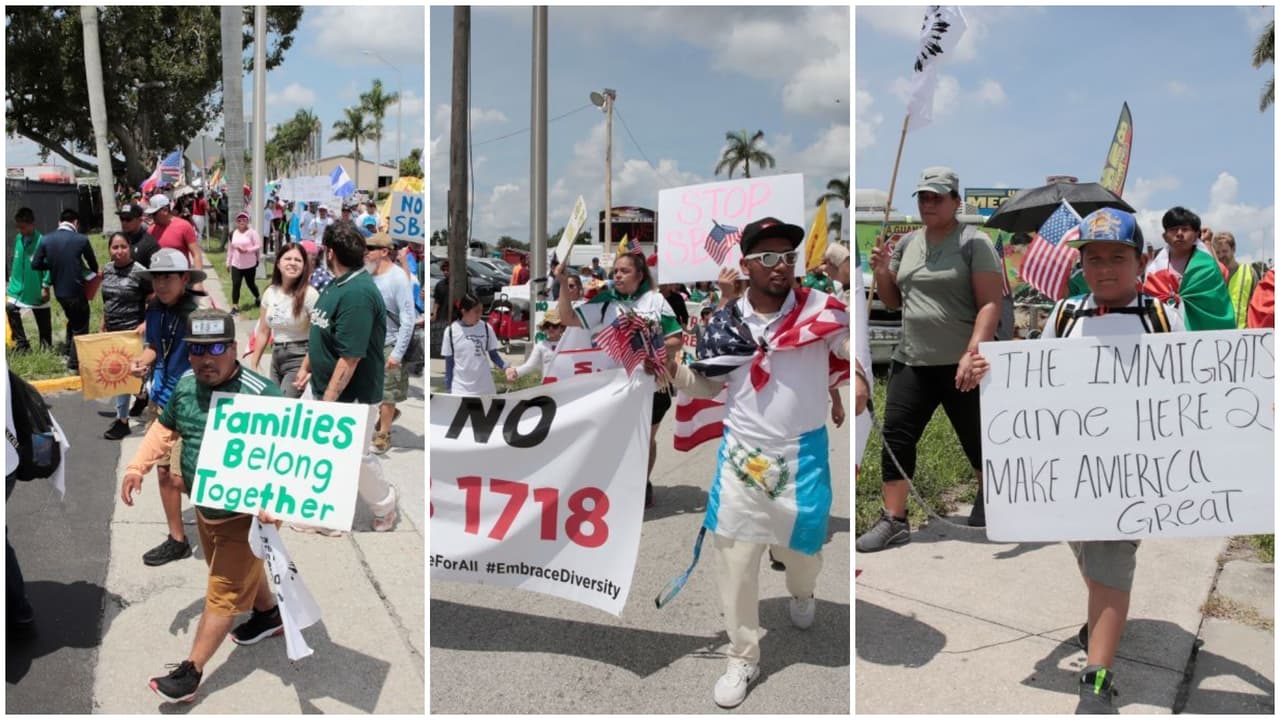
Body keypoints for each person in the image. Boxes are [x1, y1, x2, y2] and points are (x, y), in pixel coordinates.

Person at [976, 208, 1185, 713]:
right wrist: (993, 369)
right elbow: (1035, 377)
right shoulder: (1066, 314)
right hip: (1071, 471)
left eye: (1118, 257)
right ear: (1080, 265)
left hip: (1131, 471)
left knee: (1111, 555)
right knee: (1088, 554)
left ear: (1141, 261)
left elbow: (1189, 386)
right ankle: (1102, 616)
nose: (1105, 268)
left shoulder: (1161, 316)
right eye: (1093, 259)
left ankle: (1097, 676)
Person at [663, 216, 849, 708]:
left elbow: (849, 346)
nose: (780, 266)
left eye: (787, 256)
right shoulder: (725, 324)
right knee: (736, 559)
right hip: (743, 456)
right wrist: (670, 368)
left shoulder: (820, 309)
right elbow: (707, 383)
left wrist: (864, 366)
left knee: (804, 554)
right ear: (745, 265)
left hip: (802, 456)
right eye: (767, 257)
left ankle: (802, 590)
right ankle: (743, 653)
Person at [120, 309, 285, 704]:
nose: (205, 359)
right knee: (235, 574)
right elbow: (166, 427)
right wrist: (137, 466)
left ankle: (191, 672)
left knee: (224, 591)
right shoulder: (186, 384)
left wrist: (276, 502)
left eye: (215, 348)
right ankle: (268, 615)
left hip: (243, 519)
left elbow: (289, 457)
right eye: (196, 349)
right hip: (205, 511)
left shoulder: (262, 394)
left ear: (233, 349)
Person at [858, 166, 1004, 551]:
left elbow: (991, 302)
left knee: (976, 440)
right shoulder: (906, 244)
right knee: (897, 438)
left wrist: (973, 352)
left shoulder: (975, 243)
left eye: (937, 196)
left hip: (961, 363)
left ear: (956, 201)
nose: (929, 203)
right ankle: (895, 519)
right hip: (911, 361)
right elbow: (892, 301)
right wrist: (880, 271)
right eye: (923, 196)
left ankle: (992, 498)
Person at [293, 221, 399, 532]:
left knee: (354, 457)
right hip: (323, 385)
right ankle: (322, 513)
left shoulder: (358, 294)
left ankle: (385, 504)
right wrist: (306, 368)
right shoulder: (337, 284)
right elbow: (322, 330)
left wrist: (328, 401)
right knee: (319, 451)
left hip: (351, 394)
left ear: (329, 252)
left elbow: (350, 356)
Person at [555, 250, 683, 508]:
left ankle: (642, 483)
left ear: (640, 274)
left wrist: (652, 351)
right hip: (615, 387)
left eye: (624, 271)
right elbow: (567, 318)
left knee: (645, 439)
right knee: (614, 439)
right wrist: (561, 283)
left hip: (652, 384)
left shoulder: (655, 301)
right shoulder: (606, 301)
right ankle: (615, 486)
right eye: (615, 271)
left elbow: (676, 339)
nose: (618, 275)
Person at [129, 249, 205, 566]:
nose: (161, 284)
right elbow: (152, 349)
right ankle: (177, 539)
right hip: (160, 401)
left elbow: (213, 361)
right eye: (156, 277)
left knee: (185, 477)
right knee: (163, 473)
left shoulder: (198, 316)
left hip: (191, 405)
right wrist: (141, 363)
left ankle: (219, 529)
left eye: (168, 277)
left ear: (184, 279)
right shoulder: (154, 309)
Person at [1142, 206, 1234, 331]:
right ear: (1164, 236)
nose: (1179, 233)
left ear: (1196, 235)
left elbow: (1218, 306)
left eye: (1185, 229)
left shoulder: (1209, 267)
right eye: (1173, 229)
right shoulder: (1153, 270)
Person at [365, 232, 417, 454]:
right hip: (368, 344)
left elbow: (408, 319)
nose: (365, 253)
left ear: (384, 252)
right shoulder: (366, 275)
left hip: (390, 343)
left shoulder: (397, 279)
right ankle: (388, 414)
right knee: (370, 392)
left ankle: (383, 434)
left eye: (370, 248)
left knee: (388, 392)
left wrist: (397, 353)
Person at [30, 208, 98, 372]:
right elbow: (94, 266)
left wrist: (54, 265)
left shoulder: (46, 239)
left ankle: (68, 351)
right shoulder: (81, 239)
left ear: (59, 222)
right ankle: (75, 365)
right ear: (76, 222)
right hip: (76, 290)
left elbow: (36, 264)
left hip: (59, 292)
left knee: (73, 321)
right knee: (81, 326)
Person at [100, 233, 153, 440]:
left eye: (123, 246)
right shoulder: (107, 269)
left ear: (129, 248)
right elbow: (107, 299)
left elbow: (154, 300)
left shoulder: (140, 272)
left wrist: (146, 323)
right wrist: (104, 322)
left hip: (134, 334)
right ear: (109, 250)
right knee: (124, 374)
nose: (119, 251)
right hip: (113, 332)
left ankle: (122, 422)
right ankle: (141, 396)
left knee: (122, 376)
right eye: (115, 247)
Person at [249, 242, 318, 398]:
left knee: (284, 404)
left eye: (298, 260)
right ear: (278, 263)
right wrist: (254, 363)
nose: (292, 263)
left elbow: (317, 337)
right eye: (288, 259)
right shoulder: (270, 292)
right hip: (276, 355)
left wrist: (305, 368)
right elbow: (263, 331)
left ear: (304, 266)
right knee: (272, 404)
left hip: (299, 356)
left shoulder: (310, 294)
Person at [6, 207, 52, 353]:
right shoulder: (19, 239)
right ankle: (22, 344)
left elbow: (49, 266)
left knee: (43, 323)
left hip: (36, 287)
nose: (20, 230)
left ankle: (46, 349)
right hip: (18, 287)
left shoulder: (43, 241)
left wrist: (45, 286)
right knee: (10, 308)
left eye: (23, 227)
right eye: (18, 227)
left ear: (32, 224)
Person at [442, 293, 505, 395]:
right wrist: (449, 388)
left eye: (481, 311)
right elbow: (449, 363)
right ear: (464, 311)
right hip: (460, 390)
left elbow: (494, 355)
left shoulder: (486, 328)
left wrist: (506, 367)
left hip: (485, 389)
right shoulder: (451, 331)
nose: (480, 315)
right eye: (476, 312)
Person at [145, 195, 205, 293]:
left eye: (154, 213)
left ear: (165, 210)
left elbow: (196, 254)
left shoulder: (184, 226)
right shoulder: (150, 230)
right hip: (159, 282)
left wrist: (198, 282)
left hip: (181, 281)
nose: (152, 217)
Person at [1211, 231, 1258, 329]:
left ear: (1233, 249)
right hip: (1216, 334)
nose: (1221, 256)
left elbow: (1256, 304)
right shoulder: (1212, 274)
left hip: (1243, 335)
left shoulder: (1248, 272)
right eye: (1218, 252)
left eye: (1224, 251)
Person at [505, 309, 566, 383]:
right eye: (547, 325)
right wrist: (515, 372)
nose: (550, 328)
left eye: (554, 325)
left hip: (567, 384)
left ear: (561, 327)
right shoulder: (540, 345)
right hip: (548, 385)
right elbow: (530, 365)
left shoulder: (569, 343)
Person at [226, 211, 262, 313]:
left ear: (248, 221)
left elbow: (258, 245)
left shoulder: (252, 232)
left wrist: (247, 250)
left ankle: (258, 297)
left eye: (244, 219)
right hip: (236, 264)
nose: (242, 221)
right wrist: (228, 262)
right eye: (239, 220)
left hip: (249, 264)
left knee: (250, 283)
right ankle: (235, 306)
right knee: (236, 284)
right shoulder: (233, 233)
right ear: (237, 222)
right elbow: (230, 249)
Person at [117, 202, 161, 268]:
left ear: (140, 220)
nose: (124, 223)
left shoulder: (149, 243)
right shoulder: (119, 240)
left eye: (128, 219)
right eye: (122, 219)